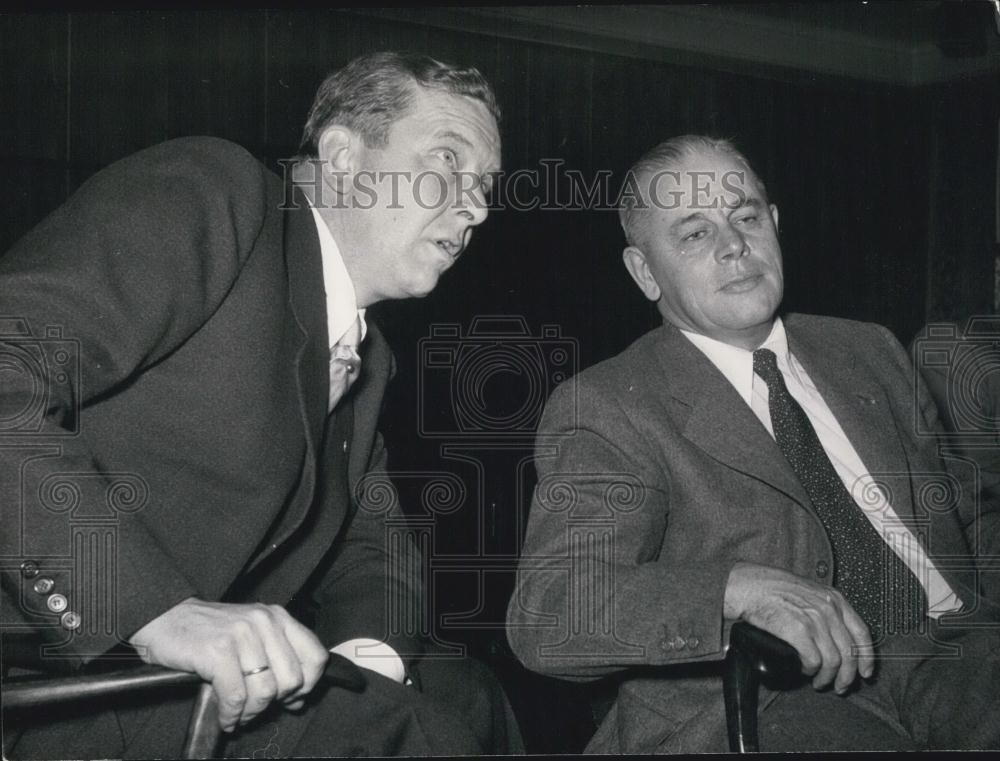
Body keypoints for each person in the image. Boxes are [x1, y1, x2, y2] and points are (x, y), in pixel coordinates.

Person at [1, 51, 522, 757]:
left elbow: (371, 551)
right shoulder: (218, 193)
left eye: (486, 185)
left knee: (465, 695)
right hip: (53, 673)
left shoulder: (366, 358)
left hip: (171, 688)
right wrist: (152, 612)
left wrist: (366, 662)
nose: (478, 207)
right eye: (448, 164)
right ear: (341, 155)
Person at [506, 135, 1000, 752]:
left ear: (774, 224)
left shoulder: (870, 351)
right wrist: (738, 588)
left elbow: (968, 513)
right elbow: (551, 612)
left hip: (959, 650)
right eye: (694, 233)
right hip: (772, 700)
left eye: (745, 217)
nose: (734, 244)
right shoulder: (613, 405)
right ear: (644, 273)